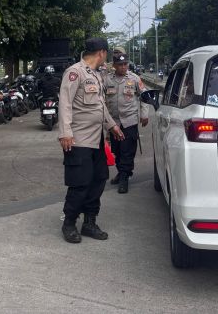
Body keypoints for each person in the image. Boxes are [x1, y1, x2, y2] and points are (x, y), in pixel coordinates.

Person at [58, 37, 123, 244]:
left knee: (99, 179)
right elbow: (65, 103)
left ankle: (89, 222)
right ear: (102, 53)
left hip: (96, 140)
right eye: (107, 55)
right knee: (80, 184)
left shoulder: (96, 75)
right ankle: (69, 223)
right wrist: (65, 132)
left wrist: (112, 125)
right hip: (78, 140)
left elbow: (100, 106)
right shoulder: (75, 72)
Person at [104, 52, 150, 194]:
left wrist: (144, 114)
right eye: (120, 65)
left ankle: (124, 177)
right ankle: (121, 172)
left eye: (125, 64)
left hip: (129, 122)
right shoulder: (107, 80)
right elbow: (100, 100)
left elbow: (145, 96)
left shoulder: (134, 79)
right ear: (114, 66)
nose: (123, 67)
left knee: (127, 151)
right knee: (116, 150)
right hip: (114, 123)